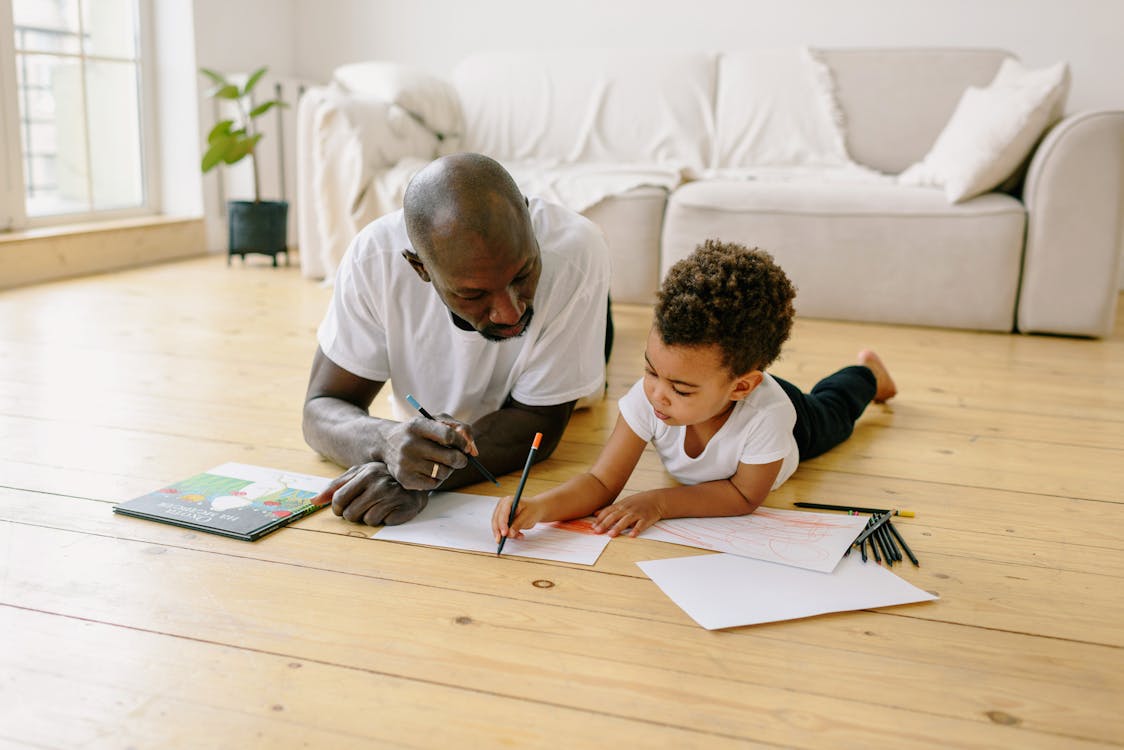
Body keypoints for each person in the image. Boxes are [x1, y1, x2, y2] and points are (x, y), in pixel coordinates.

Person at [492, 239, 896, 541]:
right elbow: (601, 482)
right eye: (651, 371)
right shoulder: (650, 396)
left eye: (681, 390)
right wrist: (538, 507)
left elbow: (742, 495)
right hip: (743, 396)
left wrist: (660, 502)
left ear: (741, 386)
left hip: (797, 421)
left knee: (836, 409)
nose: (657, 395)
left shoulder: (768, 416)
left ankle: (868, 373)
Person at [304, 152, 611, 527]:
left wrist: (424, 477)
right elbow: (322, 407)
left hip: (573, 347)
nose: (510, 312)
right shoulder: (373, 260)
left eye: (522, 275)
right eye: (473, 294)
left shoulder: (578, 250)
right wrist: (386, 442)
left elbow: (540, 422)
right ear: (420, 268)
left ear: (530, 224)